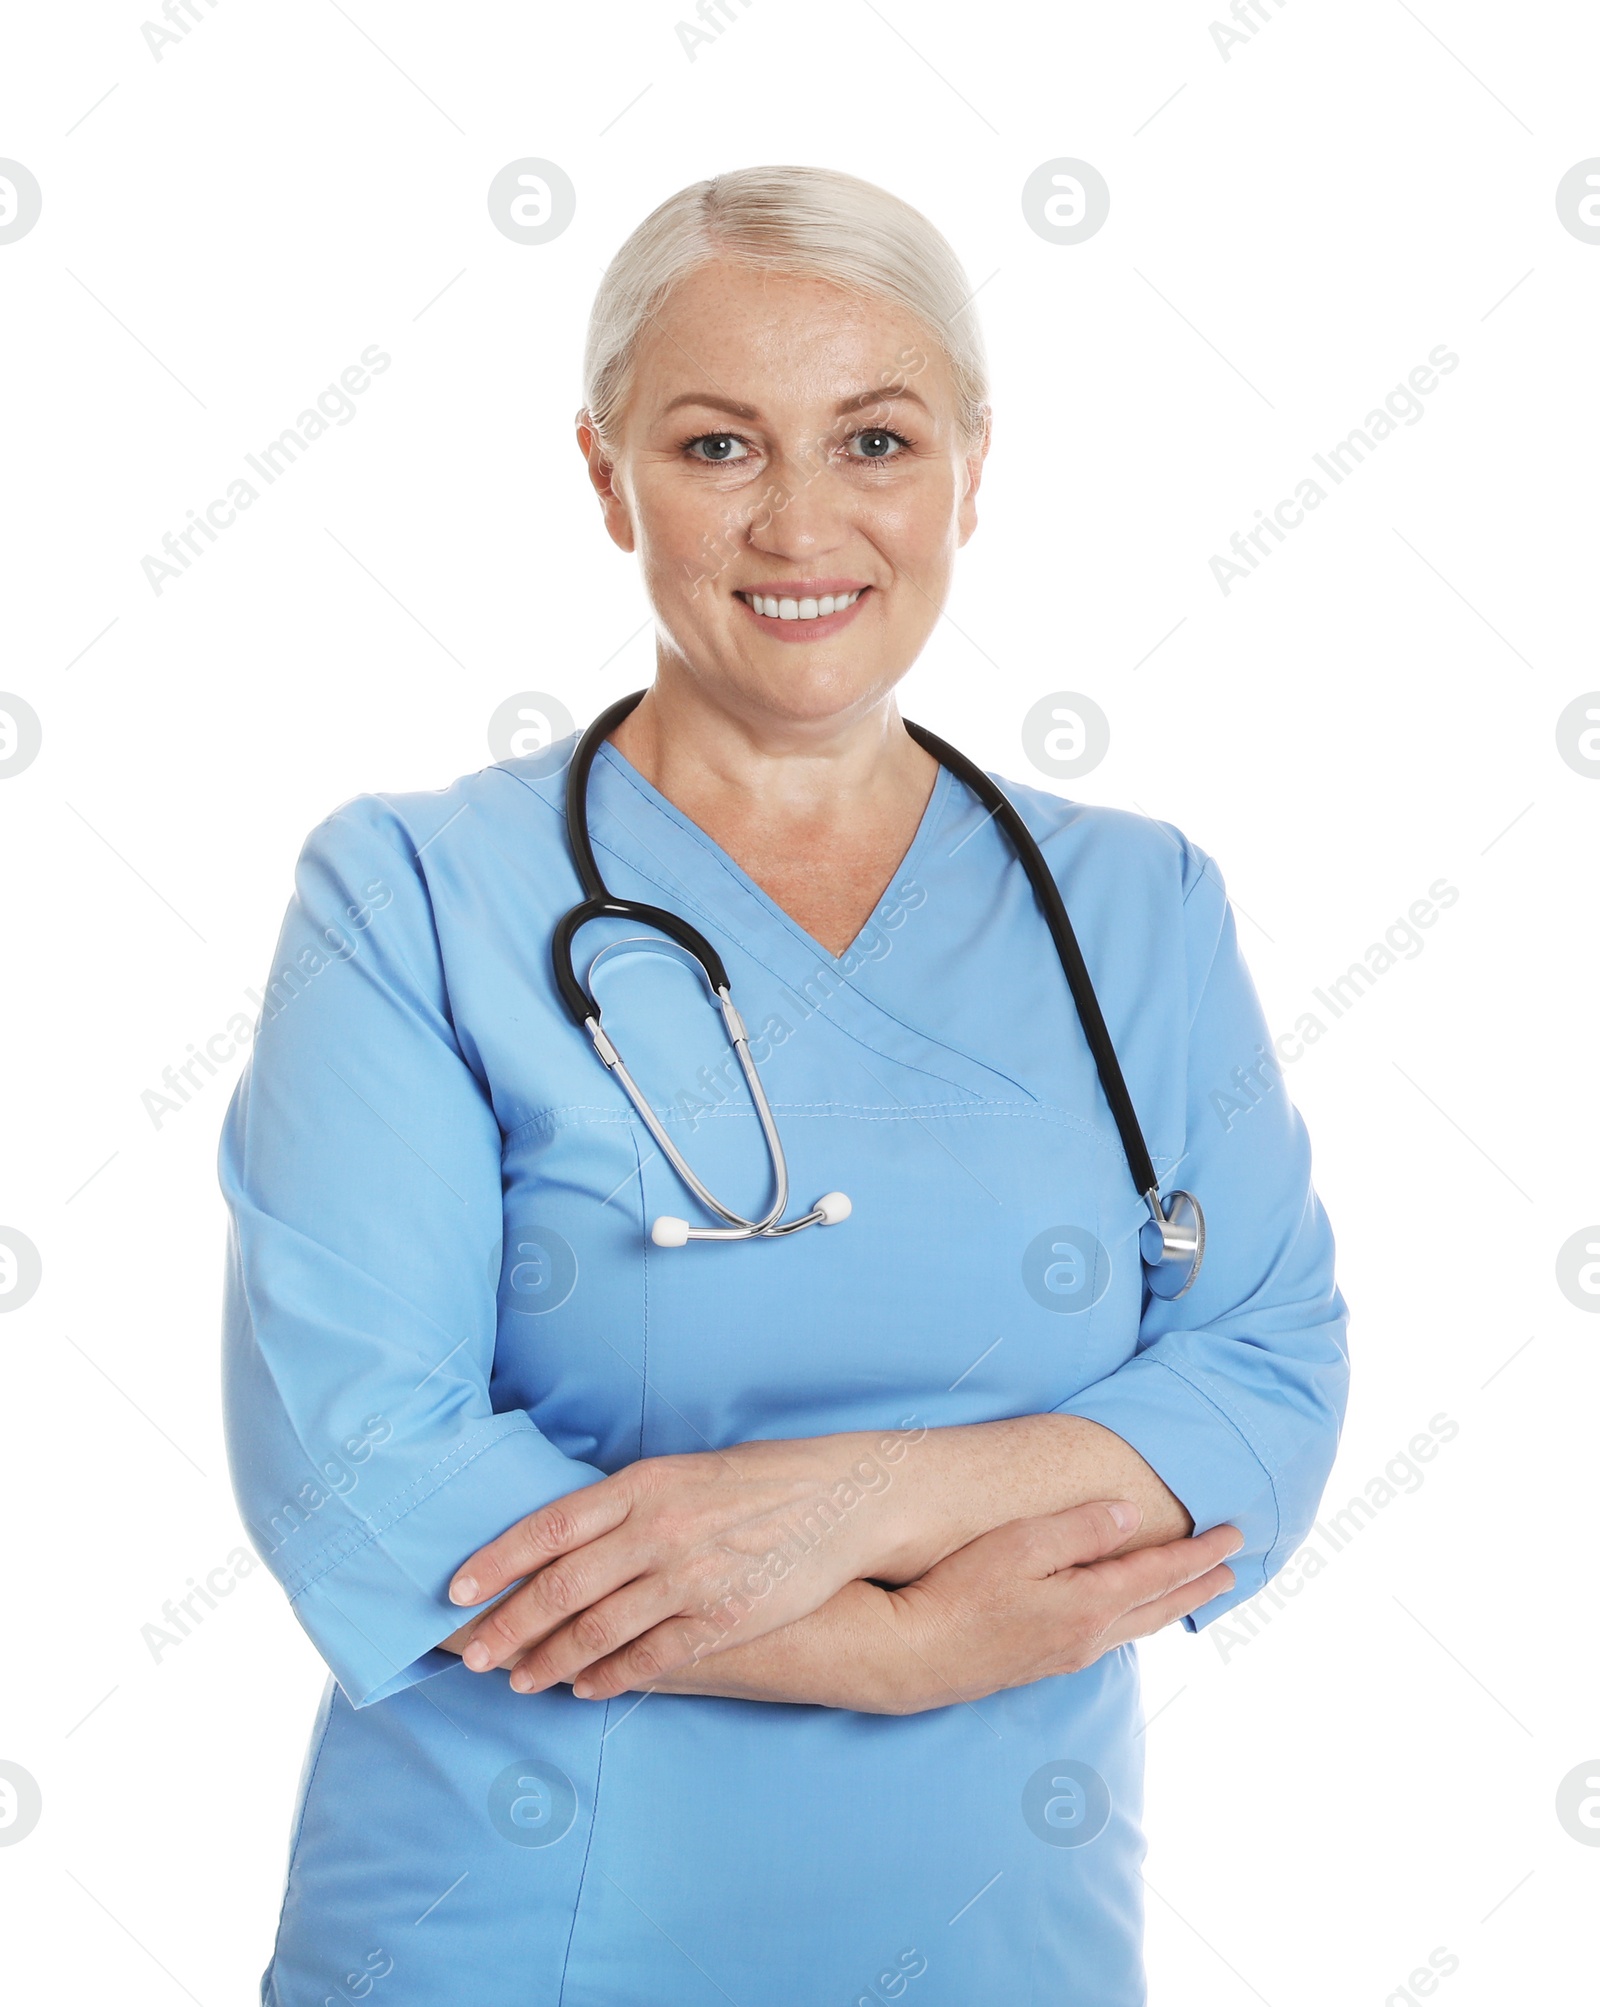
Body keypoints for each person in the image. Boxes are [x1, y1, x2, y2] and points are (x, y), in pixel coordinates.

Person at [220, 163, 1349, 2006]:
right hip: (515, 1934)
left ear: (976, 468)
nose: (803, 521)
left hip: (1009, 1941)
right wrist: (885, 1654)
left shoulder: (1136, 904)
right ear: (607, 478)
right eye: (720, 447)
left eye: (878, 440)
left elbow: (1270, 1376)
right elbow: (361, 1466)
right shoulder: (414, 896)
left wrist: (856, 1500)